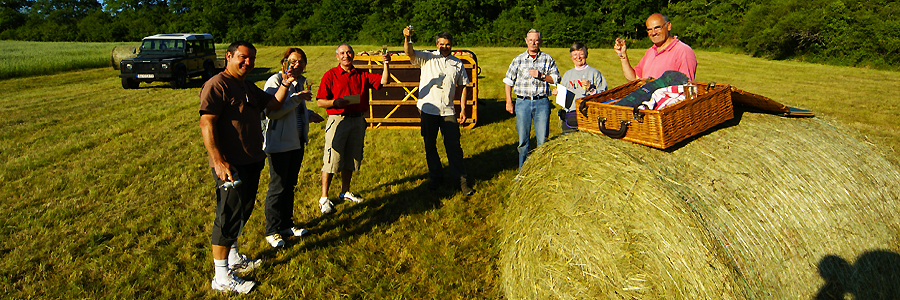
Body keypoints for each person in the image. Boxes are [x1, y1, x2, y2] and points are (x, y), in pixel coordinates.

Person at [199, 41, 289, 294]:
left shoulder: (247, 86)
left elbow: (273, 104)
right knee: (227, 216)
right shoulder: (217, 84)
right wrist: (218, 160)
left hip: (251, 160)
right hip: (230, 164)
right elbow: (206, 123)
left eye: (251, 59)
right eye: (242, 57)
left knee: (242, 212)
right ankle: (221, 277)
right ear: (229, 56)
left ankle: (234, 258)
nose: (247, 63)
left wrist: (286, 82)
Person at [260, 48, 325, 248]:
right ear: (284, 62)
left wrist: (308, 114)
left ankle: (287, 224)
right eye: (292, 61)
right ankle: (272, 230)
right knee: (277, 187)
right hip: (279, 144)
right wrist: (297, 98)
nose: (296, 65)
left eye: (300, 62)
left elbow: (294, 110)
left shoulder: (300, 81)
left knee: (290, 185)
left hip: (296, 142)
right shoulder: (274, 81)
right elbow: (273, 112)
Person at [315, 44, 389, 213]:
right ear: (337, 57)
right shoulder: (330, 75)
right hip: (338, 120)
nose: (346, 56)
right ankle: (324, 198)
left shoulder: (362, 74)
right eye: (342, 53)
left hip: (357, 121)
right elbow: (320, 101)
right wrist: (335, 102)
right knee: (332, 159)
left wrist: (386, 64)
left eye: (348, 53)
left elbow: (384, 82)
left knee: (351, 157)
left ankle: (345, 192)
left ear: (353, 55)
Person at [402, 27, 475, 195]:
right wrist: (407, 38)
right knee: (430, 145)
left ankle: (461, 181)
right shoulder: (427, 57)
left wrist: (463, 109)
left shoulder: (457, 63)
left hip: (448, 111)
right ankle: (436, 177)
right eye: (441, 44)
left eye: (447, 44)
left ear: (451, 45)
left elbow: (463, 86)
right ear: (437, 44)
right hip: (428, 109)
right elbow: (409, 52)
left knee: (454, 147)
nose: (444, 47)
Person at [503, 29, 560, 175]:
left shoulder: (547, 59)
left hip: (542, 103)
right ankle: (522, 172)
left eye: (536, 40)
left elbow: (556, 79)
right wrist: (509, 101)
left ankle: (541, 172)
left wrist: (541, 76)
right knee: (523, 141)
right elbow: (508, 81)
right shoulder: (518, 59)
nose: (533, 43)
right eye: (531, 40)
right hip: (523, 103)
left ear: (540, 41)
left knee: (542, 141)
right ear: (526, 41)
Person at [614, 13, 697, 81]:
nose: (653, 33)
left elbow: (687, 88)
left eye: (657, 28)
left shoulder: (683, 51)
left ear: (668, 26)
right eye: (649, 29)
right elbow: (635, 79)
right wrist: (623, 56)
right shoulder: (650, 52)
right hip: (645, 100)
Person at [556, 42, 607, 133]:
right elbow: (563, 97)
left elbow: (605, 96)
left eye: (581, 54)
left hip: (589, 115)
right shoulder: (568, 75)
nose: (578, 57)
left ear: (586, 55)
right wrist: (557, 93)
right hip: (571, 116)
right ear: (571, 57)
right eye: (575, 55)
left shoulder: (594, 73)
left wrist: (591, 89)